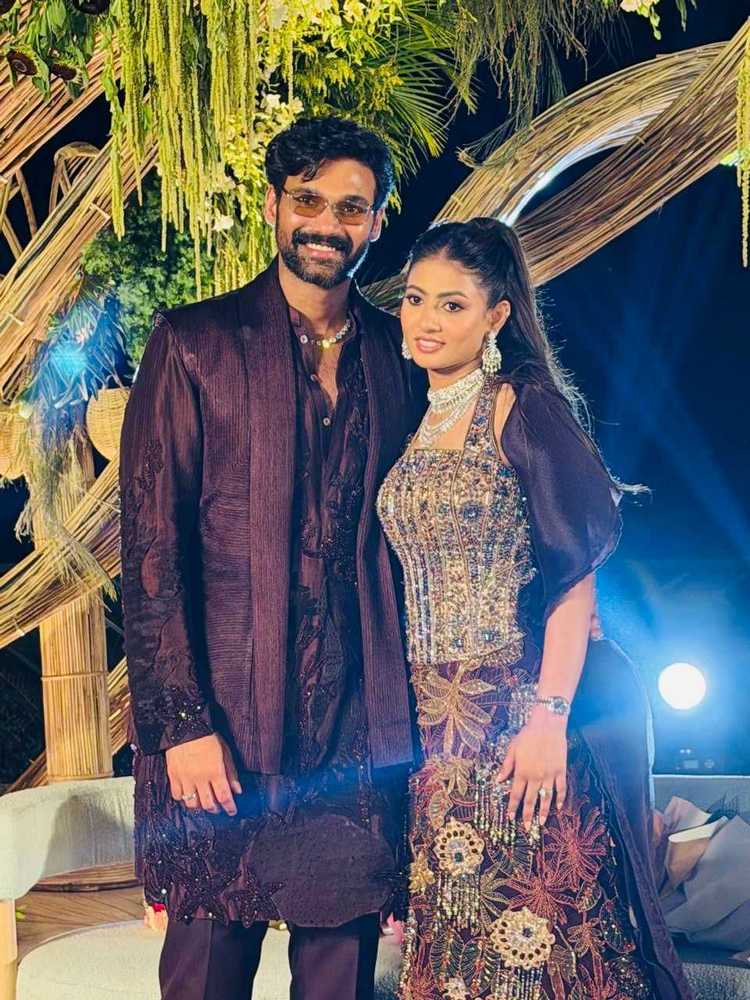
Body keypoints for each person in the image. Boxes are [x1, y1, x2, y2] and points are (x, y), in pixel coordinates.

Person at [119, 116, 425, 1000]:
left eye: (352, 208)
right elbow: (151, 548)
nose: (327, 224)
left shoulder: (399, 356)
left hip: (353, 730)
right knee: (205, 979)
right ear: (273, 207)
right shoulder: (195, 342)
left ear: (377, 222)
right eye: (309, 201)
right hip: (223, 724)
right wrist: (181, 723)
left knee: (337, 985)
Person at [377, 218, 694, 1000]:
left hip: (514, 716)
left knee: (534, 930)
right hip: (432, 729)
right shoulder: (413, 417)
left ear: (496, 315)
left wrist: (549, 720)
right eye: (415, 298)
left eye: (452, 304)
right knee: (457, 938)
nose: (425, 319)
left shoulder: (518, 407)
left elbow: (574, 579)